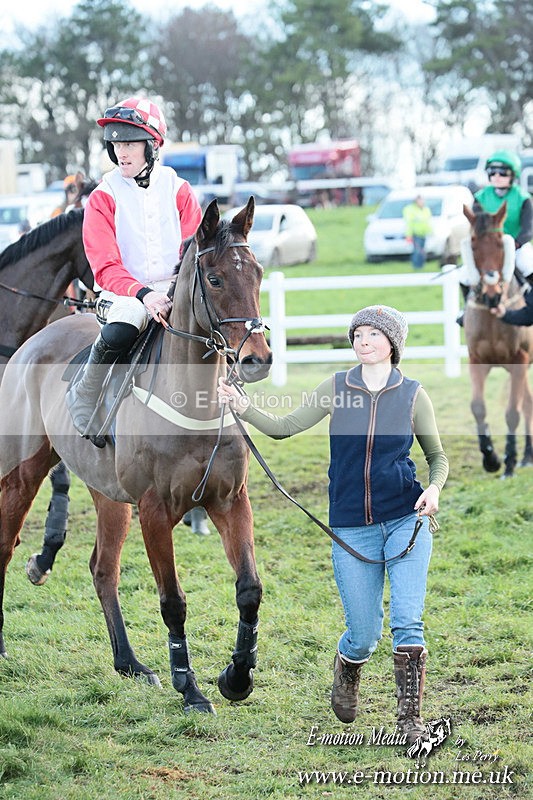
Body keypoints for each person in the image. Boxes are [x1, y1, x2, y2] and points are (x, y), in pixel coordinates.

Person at [217, 305, 448, 743]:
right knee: (363, 633)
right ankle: (347, 666)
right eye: (358, 334)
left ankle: (410, 721)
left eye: (373, 335)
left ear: (392, 344)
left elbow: (438, 458)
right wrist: (244, 407)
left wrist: (433, 490)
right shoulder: (336, 387)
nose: (364, 341)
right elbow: (285, 428)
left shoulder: (414, 395)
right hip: (350, 526)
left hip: (406, 520)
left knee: (408, 622)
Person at [66, 96, 202, 447]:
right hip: (123, 294)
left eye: (129, 143)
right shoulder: (102, 196)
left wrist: (173, 293)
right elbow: (105, 265)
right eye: (116, 144)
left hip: (175, 290)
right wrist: (145, 295)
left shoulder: (180, 190)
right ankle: (86, 393)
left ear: (152, 146)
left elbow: (195, 251)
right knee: (126, 322)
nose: (121, 152)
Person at [456, 150, 533, 325]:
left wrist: (516, 243)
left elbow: (529, 229)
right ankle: (466, 308)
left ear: (512, 175)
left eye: (502, 172)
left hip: (515, 244)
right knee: (464, 275)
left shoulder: (524, 198)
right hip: (487, 248)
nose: (497, 176)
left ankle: (530, 304)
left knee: (529, 266)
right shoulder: (480, 198)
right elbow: (476, 226)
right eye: (492, 172)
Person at [403, 195, 432, 270]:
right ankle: (416, 267)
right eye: (420, 200)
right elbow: (409, 224)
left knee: (422, 251)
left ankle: (421, 266)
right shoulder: (411, 210)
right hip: (415, 234)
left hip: (423, 233)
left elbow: (428, 222)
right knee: (417, 251)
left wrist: (431, 232)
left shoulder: (425, 209)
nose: (422, 202)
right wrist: (409, 235)